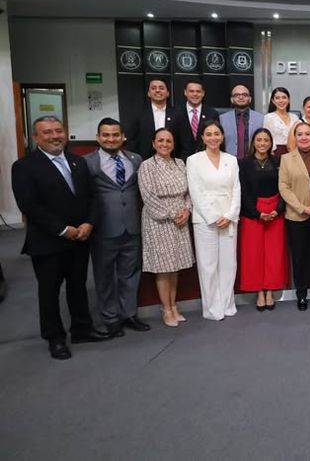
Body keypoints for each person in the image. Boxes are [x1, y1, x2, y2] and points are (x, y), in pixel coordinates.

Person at [11, 116, 111, 360]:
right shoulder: (24, 166)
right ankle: (55, 337)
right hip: (48, 242)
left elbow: (92, 197)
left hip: (80, 237)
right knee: (49, 292)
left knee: (78, 286)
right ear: (36, 138)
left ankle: (81, 329)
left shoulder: (78, 161)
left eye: (58, 130)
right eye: (47, 132)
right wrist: (63, 229)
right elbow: (30, 206)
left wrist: (89, 222)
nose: (55, 136)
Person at [85, 118, 148, 337]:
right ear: (98, 137)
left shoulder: (135, 159)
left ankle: (128, 314)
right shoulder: (87, 162)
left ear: (123, 137)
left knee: (130, 273)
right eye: (106, 135)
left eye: (115, 135)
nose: (111, 139)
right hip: (103, 229)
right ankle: (110, 318)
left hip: (132, 227)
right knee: (104, 276)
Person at [138, 128, 194, 327]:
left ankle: (174, 304)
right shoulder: (146, 166)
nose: (164, 144)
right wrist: (172, 214)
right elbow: (148, 196)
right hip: (159, 221)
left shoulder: (180, 164)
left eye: (168, 141)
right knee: (163, 268)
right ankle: (166, 308)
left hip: (181, 218)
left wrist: (186, 210)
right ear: (153, 143)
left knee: (175, 266)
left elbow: (189, 191)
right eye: (160, 140)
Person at [186, 120, 241, 321]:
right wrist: (213, 217)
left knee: (228, 264)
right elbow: (196, 192)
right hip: (205, 219)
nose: (213, 137)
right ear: (202, 137)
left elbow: (236, 190)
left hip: (228, 216)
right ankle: (212, 308)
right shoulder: (193, 160)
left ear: (222, 136)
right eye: (208, 134)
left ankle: (227, 304)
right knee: (208, 265)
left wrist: (229, 215)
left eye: (216, 133)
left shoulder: (231, 159)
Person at [279, 122, 310, 311]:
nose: (304, 137)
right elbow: (283, 187)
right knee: (299, 258)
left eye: (308, 133)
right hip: (296, 216)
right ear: (295, 137)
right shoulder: (286, 158)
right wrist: (301, 208)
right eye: (300, 134)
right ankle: (301, 295)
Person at [239, 128, 288, 311]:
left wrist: (278, 210)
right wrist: (256, 213)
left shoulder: (278, 162)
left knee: (274, 254)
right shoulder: (244, 163)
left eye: (266, 140)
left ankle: (270, 291)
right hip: (253, 213)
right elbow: (242, 191)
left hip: (275, 212)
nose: (262, 143)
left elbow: (284, 187)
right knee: (254, 254)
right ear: (253, 142)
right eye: (259, 140)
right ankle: (259, 291)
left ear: (271, 143)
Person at [172, 80, 220, 162]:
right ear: (185, 93)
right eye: (191, 91)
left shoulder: (212, 114)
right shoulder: (175, 113)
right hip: (181, 162)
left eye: (198, 91)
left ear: (203, 93)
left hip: (206, 161)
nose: (195, 94)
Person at [126, 78, 175, 159]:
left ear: (168, 93)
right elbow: (132, 141)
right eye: (153, 88)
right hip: (144, 161)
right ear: (149, 93)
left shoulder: (178, 115)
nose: (157, 90)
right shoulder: (139, 115)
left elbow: (185, 142)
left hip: (172, 162)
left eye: (161, 88)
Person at [219, 84, 265, 159]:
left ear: (250, 99)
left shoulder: (261, 118)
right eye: (237, 95)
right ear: (232, 99)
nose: (241, 97)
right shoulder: (222, 119)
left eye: (244, 95)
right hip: (228, 161)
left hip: (254, 161)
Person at [263, 86, 299, 157]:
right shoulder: (268, 117)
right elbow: (266, 137)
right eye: (277, 98)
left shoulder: (295, 117)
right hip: (275, 153)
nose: (281, 100)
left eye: (284, 97)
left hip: (294, 152)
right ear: (273, 101)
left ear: (288, 100)